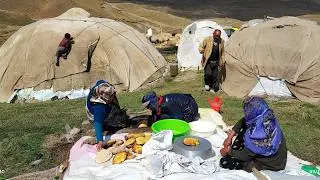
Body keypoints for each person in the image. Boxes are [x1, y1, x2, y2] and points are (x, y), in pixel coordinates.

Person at [220, 96, 287, 172]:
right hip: (275, 157)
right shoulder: (267, 116)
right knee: (244, 127)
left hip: (270, 165)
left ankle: (244, 159)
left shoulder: (258, 136)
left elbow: (244, 156)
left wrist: (228, 151)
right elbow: (243, 120)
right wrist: (229, 137)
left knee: (224, 162)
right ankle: (240, 149)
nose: (246, 114)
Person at [86, 80, 124, 150]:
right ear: (104, 98)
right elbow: (98, 123)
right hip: (94, 115)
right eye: (111, 97)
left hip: (102, 106)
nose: (113, 97)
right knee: (103, 123)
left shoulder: (103, 87)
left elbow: (100, 81)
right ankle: (104, 128)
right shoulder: (99, 107)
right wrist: (100, 141)